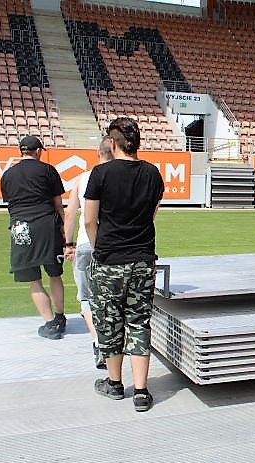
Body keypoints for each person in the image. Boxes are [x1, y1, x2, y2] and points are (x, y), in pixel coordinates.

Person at [85, 117, 164, 412]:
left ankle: (115, 384)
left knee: (110, 322)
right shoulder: (153, 173)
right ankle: (141, 391)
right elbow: (152, 214)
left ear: (112, 142)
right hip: (142, 258)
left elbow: (90, 220)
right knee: (139, 322)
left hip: (109, 260)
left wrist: (100, 247)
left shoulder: (100, 173)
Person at [0, 135, 66, 339]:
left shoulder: (8, 175)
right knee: (54, 273)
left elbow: (10, 203)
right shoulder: (48, 170)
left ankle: (49, 324)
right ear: (38, 151)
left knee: (33, 279)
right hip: (47, 226)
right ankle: (59, 317)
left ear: (22, 151)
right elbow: (57, 204)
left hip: (21, 228)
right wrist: (64, 228)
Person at [63, 137, 114, 369]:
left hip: (86, 244)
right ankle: (111, 343)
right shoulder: (119, 176)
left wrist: (68, 244)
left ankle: (98, 341)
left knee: (86, 298)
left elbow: (71, 213)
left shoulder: (83, 179)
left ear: (97, 153)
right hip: (112, 244)